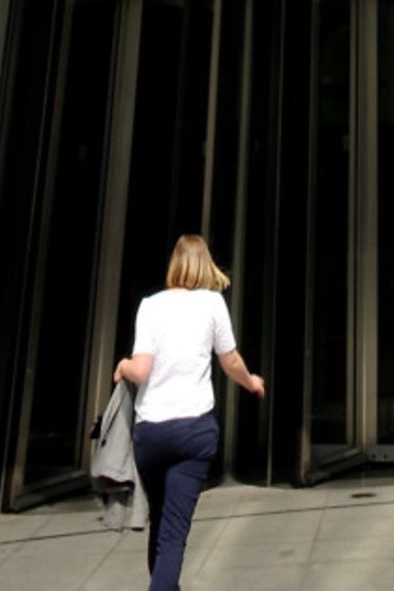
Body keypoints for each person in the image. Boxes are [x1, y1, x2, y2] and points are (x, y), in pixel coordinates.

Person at [113, 235, 265, 591]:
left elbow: (141, 369)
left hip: (151, 435)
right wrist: (251, 382)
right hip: (193, 433)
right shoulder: (212, 304)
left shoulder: (150, 305)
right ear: (204, 265)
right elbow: (230, 361)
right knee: (173, 534)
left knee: (162, 524)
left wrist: (122, 365)